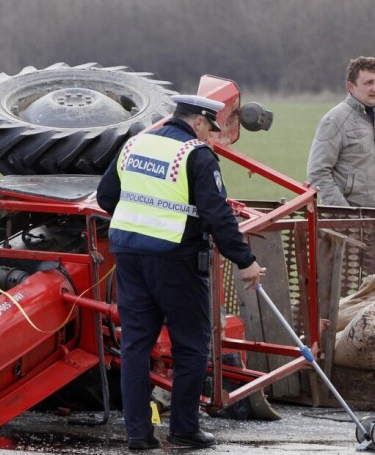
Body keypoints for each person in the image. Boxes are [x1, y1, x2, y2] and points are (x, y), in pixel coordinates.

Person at [97, 94, 263, 450]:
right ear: (199, 122)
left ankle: (138, 434)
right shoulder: (195, 154)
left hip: (128, 255)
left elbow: (106, 197)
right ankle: (184, 429)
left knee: (135, 346)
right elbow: (217, 214)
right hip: (176, 259)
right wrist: (245, 260)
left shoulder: (134, 144)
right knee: (191, 346)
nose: (208, 137)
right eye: (208, 129)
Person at [306, 56, 375, 208]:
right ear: (351, 86)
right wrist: (346, 214)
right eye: (369, 83)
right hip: (345, 225)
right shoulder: (334, 120)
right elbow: (317, 173)